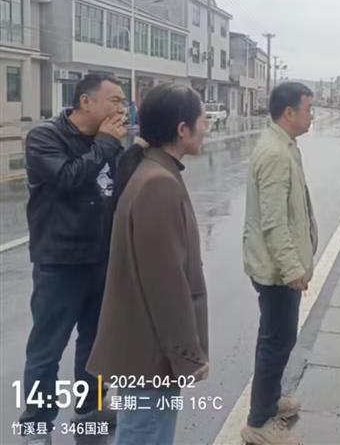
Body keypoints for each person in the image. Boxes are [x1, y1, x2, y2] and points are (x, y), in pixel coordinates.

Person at [87, 84, 209, 445]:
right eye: (203, 120)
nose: (207, 127)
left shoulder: (153, 171)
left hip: (143, 350)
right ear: (182, 129)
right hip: (150, 355)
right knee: (145, 435)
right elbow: (166, 286)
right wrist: (188, 355)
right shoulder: (158, 183)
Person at [20, 74, 126, 444]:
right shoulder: (45, 138)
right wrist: (105, 144)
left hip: (101, 258)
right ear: (86, 101)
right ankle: (36, 424)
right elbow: (68, 178)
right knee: (47, 348)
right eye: (114, 100)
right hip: (60, 262)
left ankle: (89, 407)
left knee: (96, 342)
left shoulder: (110, 143)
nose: (122, 108)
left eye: (123, 101)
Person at [241, 82, 317, 445]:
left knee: (278, 337)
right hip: (275, 271)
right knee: (276, 341)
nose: (311, 116)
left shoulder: (284, 145)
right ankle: (259, 421)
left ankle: (270, 401)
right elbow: (273, 223)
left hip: (277, 267)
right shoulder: (275, 153)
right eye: (308, 109)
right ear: (289, 113)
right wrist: (292, 269)